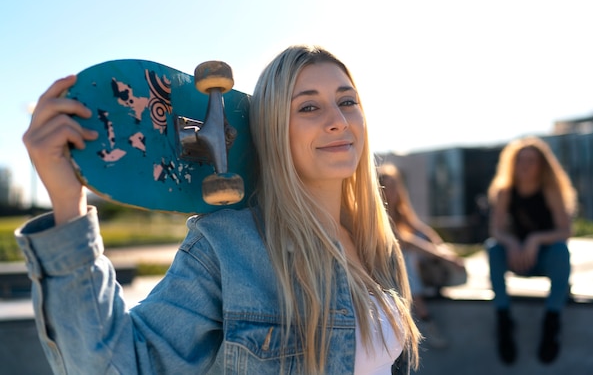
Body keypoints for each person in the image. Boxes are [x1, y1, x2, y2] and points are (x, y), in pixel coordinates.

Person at [16, 45, 421, 374]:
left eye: (346, 101)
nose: (338, 120)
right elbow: (118, 365)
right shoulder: (231, 248)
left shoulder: (375, 245)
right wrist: (68, 205)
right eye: (309, 108)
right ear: (273, 130)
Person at [485, 136, 577, 365]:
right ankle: (503, 320)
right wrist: (512, 243)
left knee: (560, 250)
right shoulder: (505, 192)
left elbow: (566, 230)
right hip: (517, 259)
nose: (525, 165)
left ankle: (551, 322)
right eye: (520, 160)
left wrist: (536, 239)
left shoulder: (550, 191)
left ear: (542, 165)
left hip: (545, 260)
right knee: (494, 248)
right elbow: (495, 230)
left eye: (531, 160)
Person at [378, 163, 466, 349]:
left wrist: (442, 249)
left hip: (405, 271)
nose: (390, 193)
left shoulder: (400, 212)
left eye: (394, 187)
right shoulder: (377, 215)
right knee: (404, 257)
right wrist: (443, 257)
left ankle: (433, 284)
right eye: (385, 188)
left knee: (417, 243)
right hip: (384, 267)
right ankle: (425, 318)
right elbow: (406, 241)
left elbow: (421, 229)